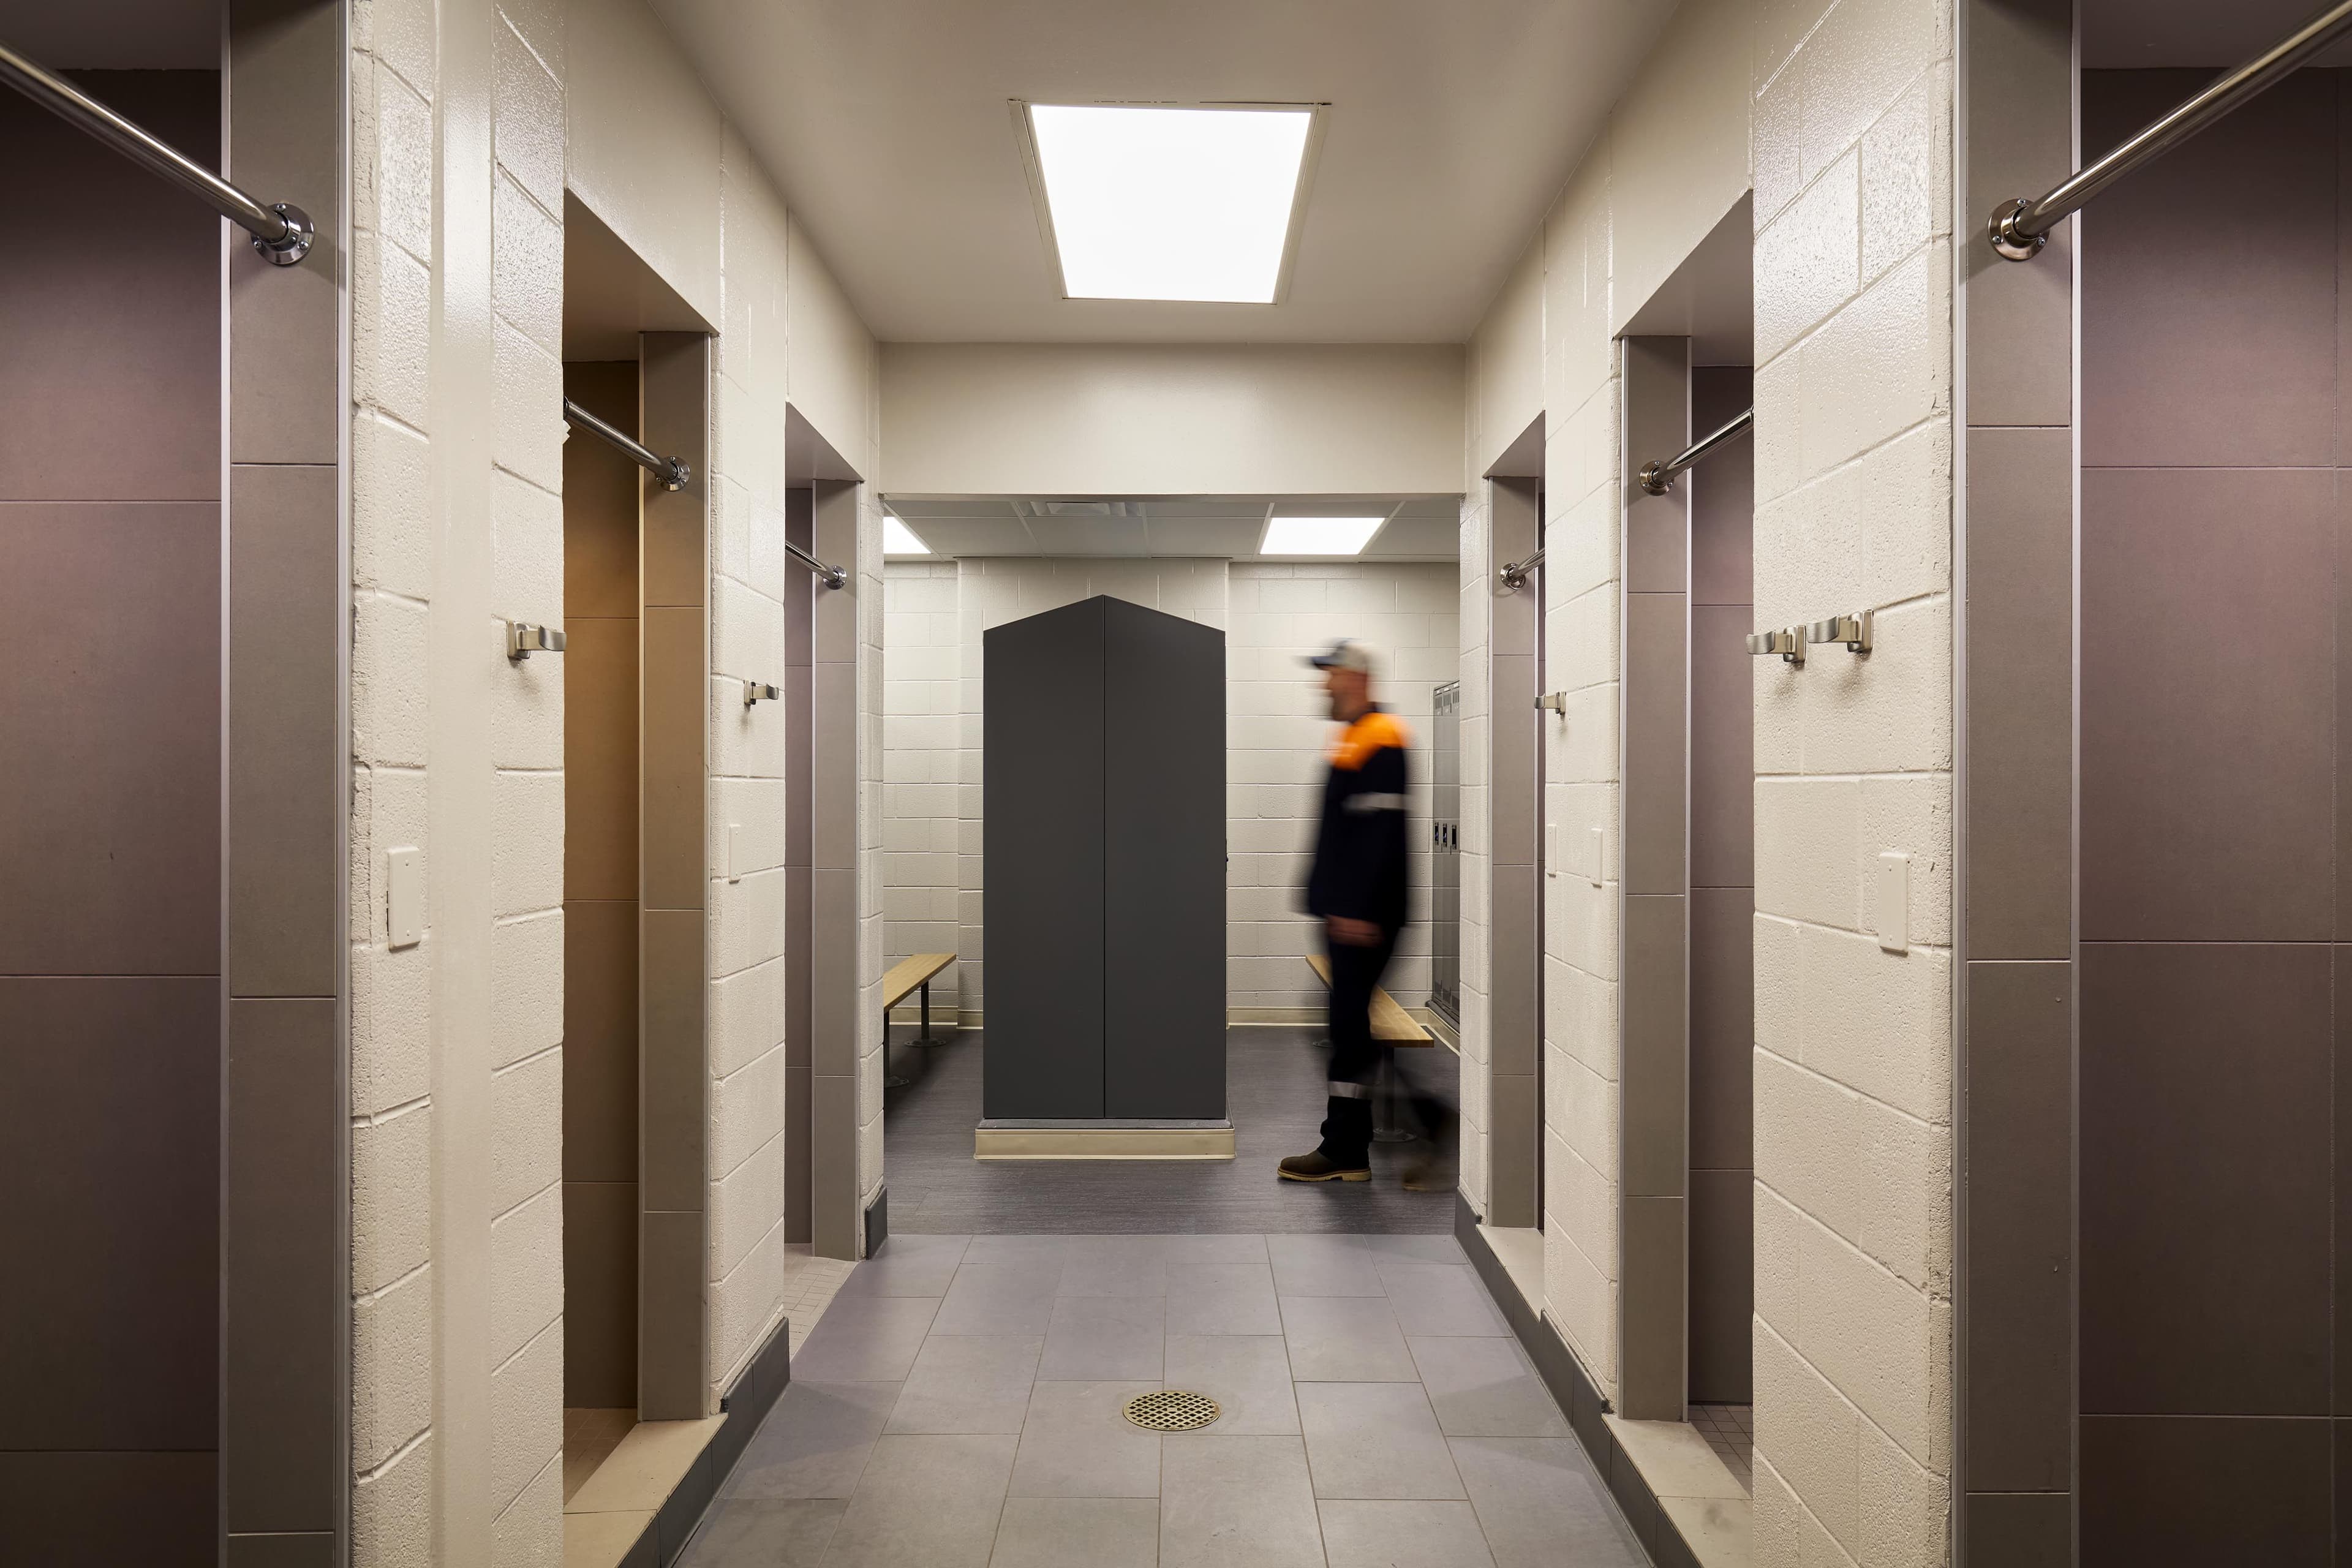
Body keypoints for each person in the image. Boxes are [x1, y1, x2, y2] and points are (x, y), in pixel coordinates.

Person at [1281, 639, 1412, 1182]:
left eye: (1329, 675)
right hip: (1349, 913)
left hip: (1364, 917)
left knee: (1349, 1031)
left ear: (1356, 679)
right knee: (1349, 1028)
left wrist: (1357, 908)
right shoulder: (1354, 739)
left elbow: (1379, 837)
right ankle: (1359, 1142)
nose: (1323, 685)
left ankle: (1349, 1148)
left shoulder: (1382, 739)